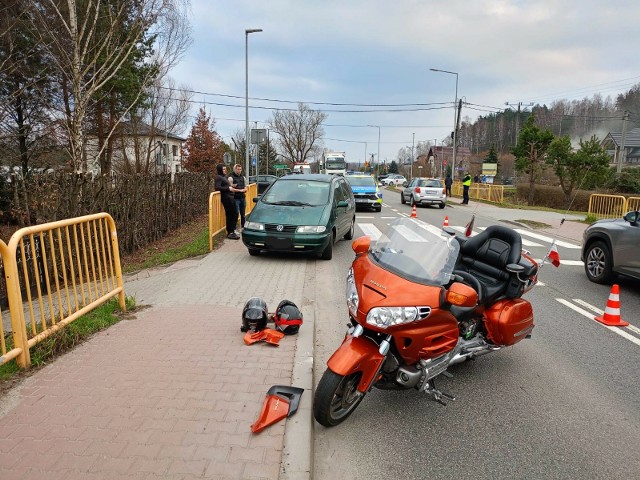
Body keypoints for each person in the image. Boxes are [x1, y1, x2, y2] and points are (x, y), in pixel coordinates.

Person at [214, 163, 240, 239]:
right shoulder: (218, 177)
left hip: (231, 197)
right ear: (220, 170)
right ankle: (230, 232)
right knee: (231, 215)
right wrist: (228, 188)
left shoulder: (224, 177)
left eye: (225, 169)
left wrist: (231, 186)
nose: (225, 170)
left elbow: (225, 186)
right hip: (226, 198)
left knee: (235, 213)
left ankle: (232, 230)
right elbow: (217, 187)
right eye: (223, 169)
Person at [228, 164, 248, 230]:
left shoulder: (243, 177)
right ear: (235, 169)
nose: (239, 171)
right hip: (235, 198)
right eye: (238, 169)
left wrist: (245, 189)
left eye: (240, 169)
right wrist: (238, 190)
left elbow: (246, 187)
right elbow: (229, 188)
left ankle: (243, 226)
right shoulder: (231, 178)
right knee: (236, 213)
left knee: (243, 213)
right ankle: (234, 228)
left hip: (242, 198)